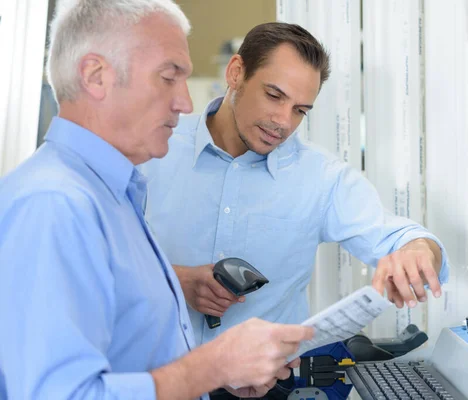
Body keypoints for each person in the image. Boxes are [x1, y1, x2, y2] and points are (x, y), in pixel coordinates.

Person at [0, 2, 312, 400]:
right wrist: (211, 366)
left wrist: (221, 371)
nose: (185, 103)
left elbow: (129, 358)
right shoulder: (53, 205)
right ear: (96, 76)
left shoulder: (116, 196)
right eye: (169, 78)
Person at [140, 20, 450, 349]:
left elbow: (403, 238)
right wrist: (176, 281)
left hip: (268, 388)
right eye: (274, 96)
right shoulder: (152, 149)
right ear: (235, 72)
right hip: (154, 380)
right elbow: (94, 263)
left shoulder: (322, 177)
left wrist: (417, 251)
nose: (283, 122)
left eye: (300, 110)